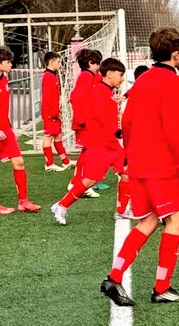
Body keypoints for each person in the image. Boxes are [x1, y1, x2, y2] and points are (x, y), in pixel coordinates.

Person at [101, 28, 179, 306]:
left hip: (140, 162)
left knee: (151, 219)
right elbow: (171, 130)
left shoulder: (142, 80)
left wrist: (130, 157)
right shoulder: (175, 82)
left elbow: (127, 120)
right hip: (161, 164)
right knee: (175, 218)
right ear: (175, 53)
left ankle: (115, 277)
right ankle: (162, 287)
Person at [51, 58, 132, 225]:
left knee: (127, 174)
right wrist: (116, 131)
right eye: (120, 75)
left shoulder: (107, 91)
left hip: (111, 144)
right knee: (90, 180)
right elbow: (99, 116)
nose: (122, 78)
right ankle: (61, 205)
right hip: (100, 145)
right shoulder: (99, 92)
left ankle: (121, 210)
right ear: (109, 74)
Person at [0, 46, 40, 215]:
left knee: (19, 162)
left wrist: (7, 127)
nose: (11, 65)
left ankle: (24, 202)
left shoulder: (4, 79)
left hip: (5, 130)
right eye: (8, 62)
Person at [68, 49, 103, 199]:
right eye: (97, 63)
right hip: (85, 123)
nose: (99, 66)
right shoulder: (86, 76)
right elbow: (75, 98)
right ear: (90, 63)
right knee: (90, 152)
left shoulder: (92, 76)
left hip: (90, 122)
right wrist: (82, 120)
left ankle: (77, 182)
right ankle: (80, 183)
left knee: (88, 152)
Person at [40, 51, 72, 172]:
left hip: (54, 112)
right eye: (58, 62)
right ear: (51, 62)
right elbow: (48, 97)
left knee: (58, 136)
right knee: (48, 136)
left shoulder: (53, 76)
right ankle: (49, 163)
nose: (60, 64)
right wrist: (52, 113)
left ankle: (65, 161)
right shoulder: (48, 77)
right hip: (50, 113)